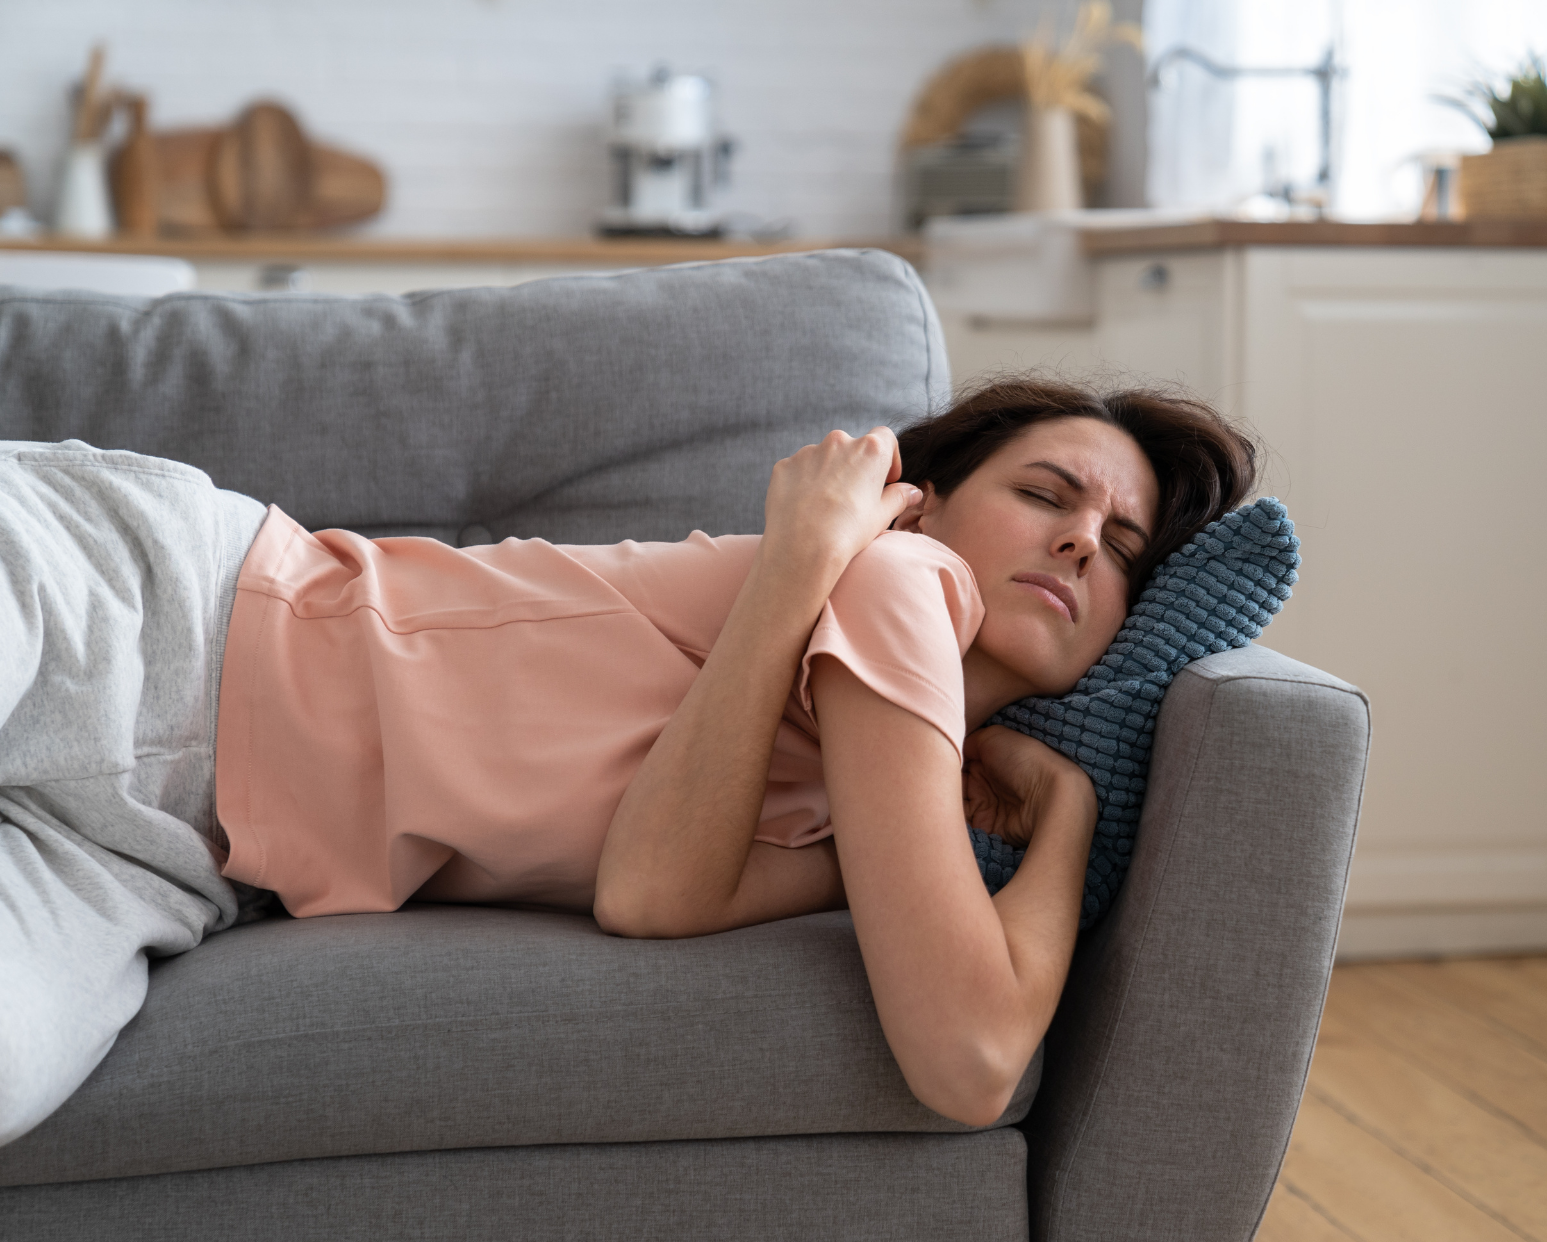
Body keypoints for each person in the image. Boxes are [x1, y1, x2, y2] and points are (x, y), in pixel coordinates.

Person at [0, 376, 1255, 1145]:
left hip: (180, 857)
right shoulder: (901, 577)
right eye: (1049, 492)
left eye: (1126, 544)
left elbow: (649, 891)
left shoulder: (860, 806)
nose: (1086, 539)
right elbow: (974, 1052)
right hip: (162, 606)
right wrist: (810, 562)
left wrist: (1072, 807)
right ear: (922, 501)